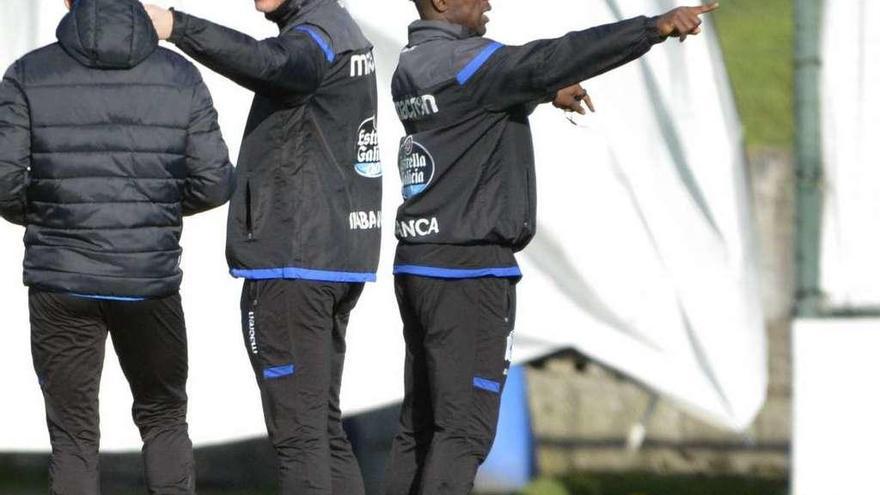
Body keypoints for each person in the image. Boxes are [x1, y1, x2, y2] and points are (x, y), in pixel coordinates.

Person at [386, 0, 719, 492]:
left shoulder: (413, 66)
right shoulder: (471, 62)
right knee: (464, 431)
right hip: (469, 271)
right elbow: (555, 57)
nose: (488, 3)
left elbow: (477, 104)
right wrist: (653, 27)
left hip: (419, 264)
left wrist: (539, 92)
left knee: (420, 427)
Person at [145, 0, 381, 493]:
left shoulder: (317, 33)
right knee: (322, 431)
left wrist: (176, 26)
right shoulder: (340, 28)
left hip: (294, 264)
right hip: (331, 260)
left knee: (299, 438)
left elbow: (270, 64)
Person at [0, 0, 235, 492]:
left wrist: (54, 217)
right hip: (146, 279)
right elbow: (214, 182)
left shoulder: (27, 74)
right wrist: (150, 214)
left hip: (60, 278)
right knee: (164, 417)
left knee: (72, 437)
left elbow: (3, 183)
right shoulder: (180, 75)